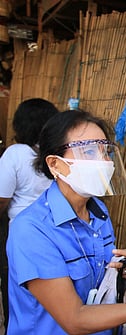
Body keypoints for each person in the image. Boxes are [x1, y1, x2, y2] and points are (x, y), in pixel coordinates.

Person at [6, 110, 126, 335]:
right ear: (55, 164)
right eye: (89, 151)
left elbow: (102, 277)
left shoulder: (98, 212)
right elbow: (74, 319)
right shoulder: (31, 229)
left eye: (105, 151)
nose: (104, 161)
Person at [0, 98, 59, 335]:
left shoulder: (15, 154)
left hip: (21, 238)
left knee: (18, 294)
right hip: (57, 234)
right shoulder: (56, 157)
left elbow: (1, 198)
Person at [0, 98, 59, 223]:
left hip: (24, 227)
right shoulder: (60, 152)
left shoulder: (15, 153)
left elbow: (2, 199)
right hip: (57, 224)